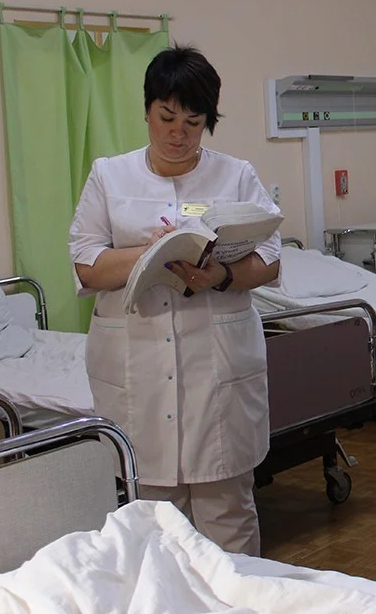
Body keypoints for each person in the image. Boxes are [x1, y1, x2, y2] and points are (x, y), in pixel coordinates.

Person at [69, 45, 281, 556]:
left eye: (193, 122)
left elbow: (271, 260)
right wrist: (151, 253)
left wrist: (221, 275)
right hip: (137, 362)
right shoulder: (109, 175)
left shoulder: (236, 175)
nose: (178, 134)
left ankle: (233, 596)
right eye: (167, 117)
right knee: (155, 523)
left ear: (209, 121)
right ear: (147, 110)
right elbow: (87, 263)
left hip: (218, 364)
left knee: (228, 514)